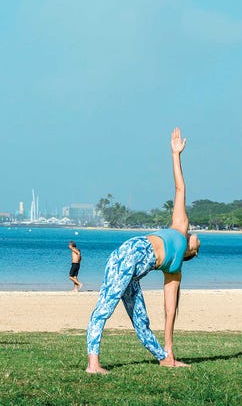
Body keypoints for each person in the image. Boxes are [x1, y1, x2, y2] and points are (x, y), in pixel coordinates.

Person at [85, 127, 201, 373]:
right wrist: (175, 154)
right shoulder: (179, 228)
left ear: (191, 252)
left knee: (141, 320)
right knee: (104, 308)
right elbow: (180, 190)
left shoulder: (175, 267)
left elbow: (170, 311)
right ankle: (93, 364)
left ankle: (164, 357)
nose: (197, 238)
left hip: (134, 270)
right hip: (131, 252)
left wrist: (170, 347)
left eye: (198, 244)